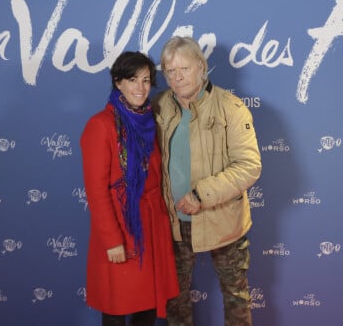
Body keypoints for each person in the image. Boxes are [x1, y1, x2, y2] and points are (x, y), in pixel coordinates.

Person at [152, 36, 262, 326]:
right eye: (169, 71)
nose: (177, 77)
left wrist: (201, 195)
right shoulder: (158, 106)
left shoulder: (231, 107)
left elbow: (249, 166)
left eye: (184, 69)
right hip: (174, 224)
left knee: (236, 298)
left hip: (223, 221)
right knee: (174, 300)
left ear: (201, 66)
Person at [80, 51, 179, 326]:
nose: (140, 88)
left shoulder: (150, 120)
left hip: (152, 226)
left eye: (146, 80)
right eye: (133, 80)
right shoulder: (100, 125)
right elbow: (97, 191)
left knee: (148, 304)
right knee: (116, 306)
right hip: (122, 227)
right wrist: (112, 240)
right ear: (118, 82)